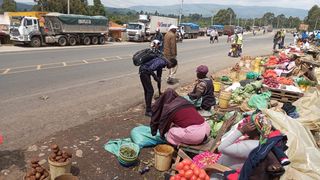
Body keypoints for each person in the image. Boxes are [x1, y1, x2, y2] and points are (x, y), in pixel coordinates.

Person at [217, 112, 290, 170]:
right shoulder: (264, 142)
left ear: (254, 129)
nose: (244, 124)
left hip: (221, 172)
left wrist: (241, 131)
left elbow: (221, 148)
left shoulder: (251, 146)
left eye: (248, 123)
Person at [139, 41, 177, 117]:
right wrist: (155, 77)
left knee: (147, 91)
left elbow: (159, 75)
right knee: (150, 91)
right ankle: (148, 110)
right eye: (171, 67)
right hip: (144, 72)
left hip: (144, 71)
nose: (170, 68)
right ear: (171, 64)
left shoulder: (164, 62)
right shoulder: (162, 62)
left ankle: (148, 106)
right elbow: (150, 69)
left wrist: (159, 86)